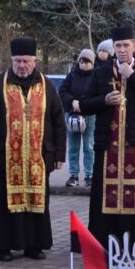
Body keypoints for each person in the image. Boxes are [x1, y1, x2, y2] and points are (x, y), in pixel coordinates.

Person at [0, 37, 66, 261]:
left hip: (39, 156)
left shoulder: (46, 85)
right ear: (12, 60)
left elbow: (58, 120)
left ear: (35, 61)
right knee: (2, 203)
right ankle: (3, 246)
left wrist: (59, 154)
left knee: (37, 202)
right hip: (5, 156)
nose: (22, 65)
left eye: (26, 61)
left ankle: (34, 246)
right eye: (17, 61)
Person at [81, 27, 135, 246]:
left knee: (134, 193)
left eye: (126, 45)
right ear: (113, 48)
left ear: (134, 46)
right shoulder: (101, 72)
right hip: (107, 144)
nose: (122, 50)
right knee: (103, 192)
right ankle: (103, 236)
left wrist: (132, 76)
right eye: (118, 46)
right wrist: (104, 101)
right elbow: (85, 105)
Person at [59, 49, 97, 188]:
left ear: (93, 63)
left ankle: (90, 175)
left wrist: (84, 104)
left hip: (89, 115)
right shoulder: (72, 75)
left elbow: (98, 95)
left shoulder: (96, 76)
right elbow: (62, 91)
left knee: (89, 146)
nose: (84, 64)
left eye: (87, 62)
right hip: (72, 114)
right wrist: (72, 102)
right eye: (82, 61)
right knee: (73, 146)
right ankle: (73, 175)